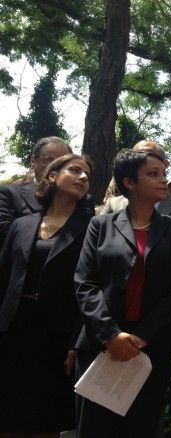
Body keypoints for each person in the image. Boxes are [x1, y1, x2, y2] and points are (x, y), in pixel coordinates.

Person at [74, 149, 171, 437]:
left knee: (142, 428)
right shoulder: (100, 225)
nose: (163, 180)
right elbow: (85, 283)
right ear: (129, 183)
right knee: (94, 429)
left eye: (163, 173)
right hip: (102, 346)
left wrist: (142, 337)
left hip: (152, 348)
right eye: (153, 174)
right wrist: (111, 335)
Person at [0, 153, 93, 436]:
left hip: (58, 336)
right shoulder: (21, 225)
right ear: (52, 176)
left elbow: (91, 286)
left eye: (87, 175)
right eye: (75, 170)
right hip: (13, 329)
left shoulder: (93, 227)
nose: (83, 177)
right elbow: (3, 277)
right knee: (7, 414)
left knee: (46, 420)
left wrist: (77, 341)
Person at [101, 140, 171, 236]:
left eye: (150, 155)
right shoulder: (113, 204)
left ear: (164, 164)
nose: (143, 159)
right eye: (136, 155)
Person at [0, 136, 71, 248]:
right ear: (33, 161)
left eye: (64, 163)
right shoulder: (7, 194)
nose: (56, 167)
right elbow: (6, 240)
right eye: (50, 160)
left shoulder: (80, 199)